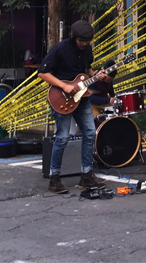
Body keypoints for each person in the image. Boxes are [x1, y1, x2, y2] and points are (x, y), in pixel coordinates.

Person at [38, 20, 110, 194]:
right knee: (62, 137)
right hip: (61, 97)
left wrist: (97, 75)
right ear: (72, 37)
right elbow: (42, 73)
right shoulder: (60, 49)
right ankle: (54, 178)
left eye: (87, 41)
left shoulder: (87, 50)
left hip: (82, 98)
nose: (84, 44)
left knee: (90, 133)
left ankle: (86, 175)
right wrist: (64, 86)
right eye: (81, 41)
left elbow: (87, 70)